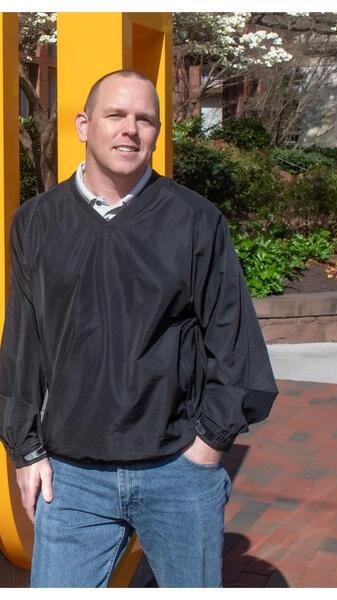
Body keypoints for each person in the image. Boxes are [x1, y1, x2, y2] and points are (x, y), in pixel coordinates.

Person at [0, 69, 278, 587]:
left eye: (144, 119)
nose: (130, 129)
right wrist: (24, 450)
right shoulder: (37, 222)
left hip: (177, 470)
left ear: (155, 133)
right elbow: (23, 342)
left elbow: (233, 343)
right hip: (71, 478)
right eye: (115, 116)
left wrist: (208, 448)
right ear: (84, 126)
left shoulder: (196, 221)